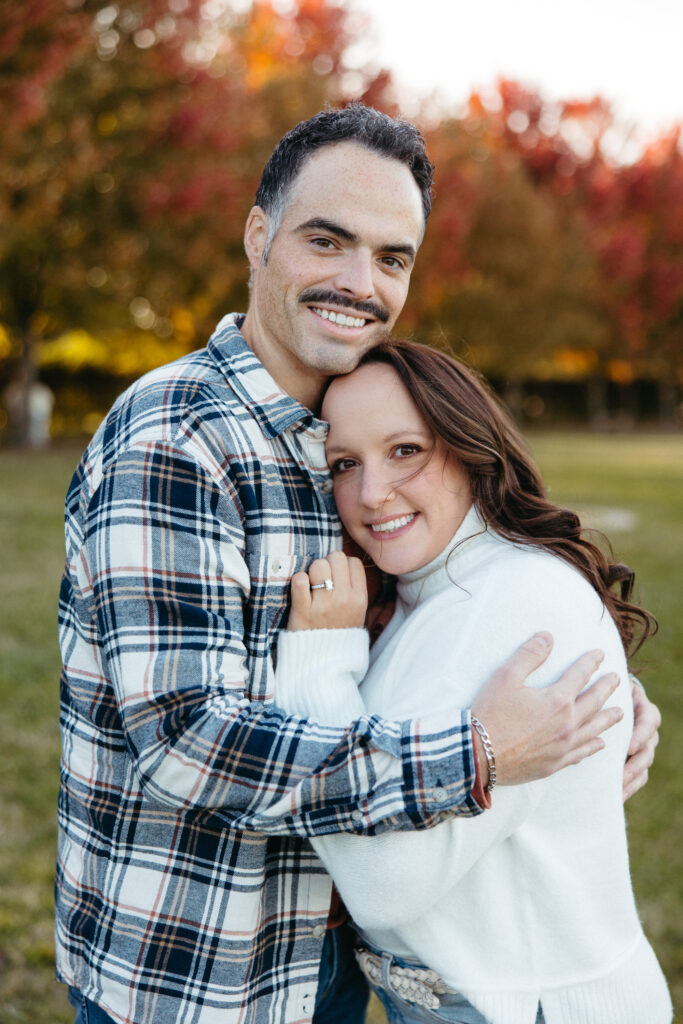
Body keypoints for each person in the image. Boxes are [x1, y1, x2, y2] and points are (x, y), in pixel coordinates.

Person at [56, 105, 660, 1024]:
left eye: (391, 257)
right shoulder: (176, 436)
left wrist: (593, 704)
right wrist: (484, 752)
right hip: (198, 974)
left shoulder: (349, 430)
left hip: (326, 965)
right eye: (327, 240)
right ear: (258, 236)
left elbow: (436, 625)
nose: (359, 282)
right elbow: (188, 740)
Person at [273, 340, 672, 1024]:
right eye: (345, 464)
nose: (371, 493)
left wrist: (318, 666)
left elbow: (380, 885)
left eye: (405, 450)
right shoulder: (433, 587)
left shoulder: (510, 604)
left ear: (467, 446)